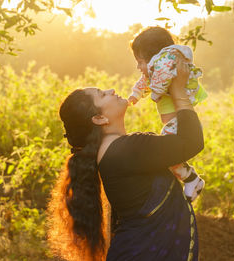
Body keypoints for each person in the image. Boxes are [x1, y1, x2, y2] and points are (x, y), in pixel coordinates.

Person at [47, 59, 203, 261]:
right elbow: (190, 142)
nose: (111, 90)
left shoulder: (114, 152)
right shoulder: (128, 150)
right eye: (103, 94)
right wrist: (179, 90)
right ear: (99, 119)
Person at [129, 26, 207, 201]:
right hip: (176, 121)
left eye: (141, 61)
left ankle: (192, 179)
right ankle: (191, 178)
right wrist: (135, 95)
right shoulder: (155, 70)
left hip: (180, 121)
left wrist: (155, 94)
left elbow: (159, 83)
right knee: (168, 152)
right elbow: (144, 82)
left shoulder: (167, 68)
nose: (138, 66)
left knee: (165, 150)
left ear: (155, 58)